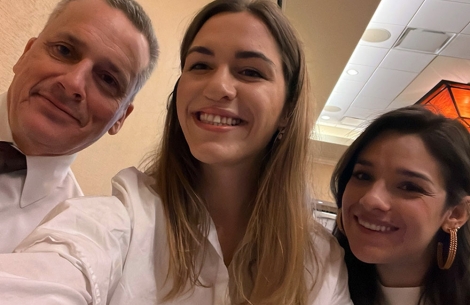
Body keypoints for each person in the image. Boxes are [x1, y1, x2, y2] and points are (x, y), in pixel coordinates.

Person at [0, 0, 352, 304]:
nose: (218, 86)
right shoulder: (120, 220)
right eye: (200, 65)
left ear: (288, 109)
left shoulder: (322, 263)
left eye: (250, 71)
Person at [0, 0, 158, 253]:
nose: (73, 83)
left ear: (120, 118)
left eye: (108, 79)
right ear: (25, 54)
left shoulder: (68, 242)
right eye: (64, 51)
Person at [331, 105, 470, 305]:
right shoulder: (314, 280)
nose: (370, 199)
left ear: (455, 213)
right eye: (363, 175)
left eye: (408, 186)